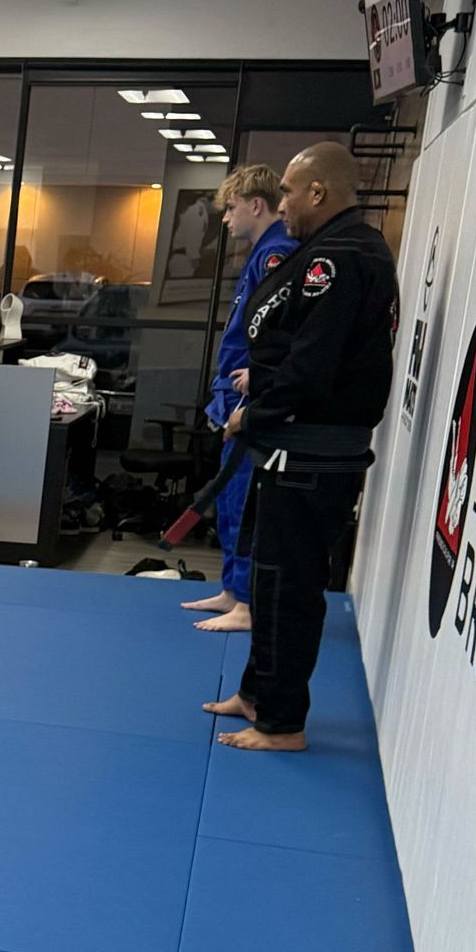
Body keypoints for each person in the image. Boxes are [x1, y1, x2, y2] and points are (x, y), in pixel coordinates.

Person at [205, 143, 397, 754]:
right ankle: (258, 692)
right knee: (266, 581)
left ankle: (282, 723)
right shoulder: (332, 249)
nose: (283, 201)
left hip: (311, 453)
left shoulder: (341, 257)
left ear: (317, 191)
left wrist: (251, 413)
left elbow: (311, 367)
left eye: (289, 191)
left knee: (289, 589)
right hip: (291, 445)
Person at [186, 164, 292, 635]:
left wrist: (261, 375)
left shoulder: (280, 255)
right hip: (233, 391)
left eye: (231, 208)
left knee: (245, 500)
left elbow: (284, 331)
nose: (225, 219)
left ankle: (247, 602)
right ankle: (232, 590)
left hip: (251, 397)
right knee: (230, 500)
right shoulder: (259, 256)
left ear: (255, 205)